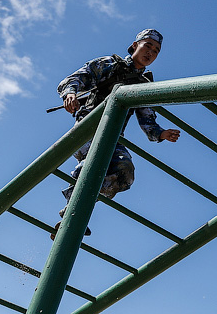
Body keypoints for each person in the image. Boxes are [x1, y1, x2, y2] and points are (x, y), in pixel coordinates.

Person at [52, 29, 180, 238]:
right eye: (147, 45)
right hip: (89, 127)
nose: (151, 52)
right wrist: (70, 94)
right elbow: (75, 78)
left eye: (156, 51)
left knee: (124, 170)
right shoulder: (110, 64)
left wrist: (161, 133)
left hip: (111, 135)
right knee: (96, 161)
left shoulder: (143, 85)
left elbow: (147, 118)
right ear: (135, 45)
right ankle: (73, 211)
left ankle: (79, 207)